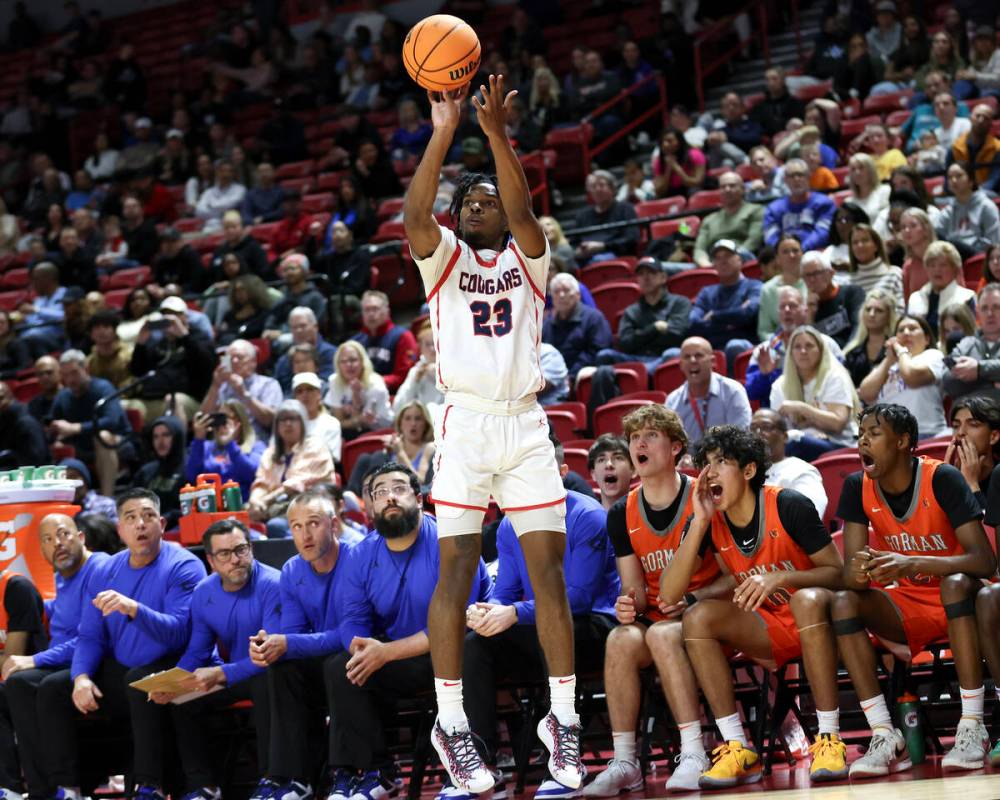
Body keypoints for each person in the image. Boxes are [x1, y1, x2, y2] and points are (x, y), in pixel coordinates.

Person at [403, 75, 586, 795]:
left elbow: (524, 207)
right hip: (467, 425)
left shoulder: (529, 260)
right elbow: (415, 210)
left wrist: (498, 137)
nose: (482, 207)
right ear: (456, 218)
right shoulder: (441, 259)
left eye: (490, 202)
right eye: (468, 203)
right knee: (453, 575)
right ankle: (451, 723)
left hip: (526, 426)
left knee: (550, 578)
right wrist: (445, 129)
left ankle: (564, 720)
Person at [661, 425, 845, 787]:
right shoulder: (709, 518)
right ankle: (737, 745)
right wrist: (698, 523)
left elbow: (837, 574)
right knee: (696, 618)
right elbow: (669, 593)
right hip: (769, 625)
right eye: (705, 463)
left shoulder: (789, 504)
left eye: (721, 461)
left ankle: (828, 737)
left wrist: (782, 578)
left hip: (820, 619)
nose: (709, 472)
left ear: (748, 470)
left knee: (806, 601)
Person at [833, 404, 996, 776]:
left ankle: (972, 726)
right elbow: (852, 578)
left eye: (874, 433)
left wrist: (913, 563)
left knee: (954, 586)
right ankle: (885, 733)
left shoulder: (942, 478)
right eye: (861, 434)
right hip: (910, 604)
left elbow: (985, 562)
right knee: (844, 602)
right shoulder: (857, 486)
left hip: (964, 597)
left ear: (903, 441)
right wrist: (861, 570)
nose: (863, 440)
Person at [582, 407, 730, 795]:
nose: (639, 444)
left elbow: (736, 574)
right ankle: (625, 761)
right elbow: (634, 588)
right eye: (634, 438)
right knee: (619, 638)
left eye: (650, 436)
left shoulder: (704, 496)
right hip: (659, 616)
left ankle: (694, 751)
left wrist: (696, 595)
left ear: (676, 447)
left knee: (663, 635)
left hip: (711, 613)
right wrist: (627, 605)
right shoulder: (621, 512)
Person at [37, 489, 206, 800]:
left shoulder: (184, 565)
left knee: (137, 680)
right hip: (126, 666)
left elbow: (179, 634)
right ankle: (66, 788)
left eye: (147, 516)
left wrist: (133, 609)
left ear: (162, 524)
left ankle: (149, 786)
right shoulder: (105, 570)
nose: (140, 524)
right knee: (52, 688)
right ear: (120, 529)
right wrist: (81, 678)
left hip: (178, 664)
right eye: (131, 518)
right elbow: (90, 636)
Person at [465, 476, 618, 798]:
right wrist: (488, 612)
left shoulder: (586, 516)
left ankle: (564, 761)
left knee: (554, 631)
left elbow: (579, 597)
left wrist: (516, 612)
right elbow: (504, 592)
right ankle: (483, 763)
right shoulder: (509, 526)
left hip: (595, 626)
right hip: (539, 624)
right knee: (475, 645)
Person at [149, 519, 279, 800]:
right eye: (224, 554)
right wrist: (174, 682)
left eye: (241, 550)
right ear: (211, 560)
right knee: (183, 700)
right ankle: (203, 786)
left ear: (251, 548)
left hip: (273, 672)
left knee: (266, 682)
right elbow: (197, 651)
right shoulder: (204, 592)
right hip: (235, 674)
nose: (235, 560)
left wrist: (219, 675)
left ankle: (273, 780)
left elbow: (271, 654)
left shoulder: (273, 584)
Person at [248, 489, 356, 800]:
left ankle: (344, 773)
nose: (304, 534)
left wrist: (289, 642)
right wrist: (271, 644)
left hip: (360, 654)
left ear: (333, 524)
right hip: (323, 659)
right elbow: (294, 633)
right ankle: (294, 778)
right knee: (281, 666)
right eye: (295, 526)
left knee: (337, 664)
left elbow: (351, 634)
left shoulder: (355, 560)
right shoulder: (292, 570)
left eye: (313, 523)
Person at [2, 513, 108, 800]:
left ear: (81, 537)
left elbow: (92, 636)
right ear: (42, 551)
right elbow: (61, 614)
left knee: (37, 685)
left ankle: (67, 788)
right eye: (48, 540)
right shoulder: (63, 576)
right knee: (14, 686)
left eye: (62, 534)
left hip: (94, 662)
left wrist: (36, 659)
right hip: (64, 662)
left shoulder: (100, 569)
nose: (57, 544)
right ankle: (30, 791)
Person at [248, 399, 336, 538]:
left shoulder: (315, 446)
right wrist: (255, 501)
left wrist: (266, 500)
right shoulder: (270, 453)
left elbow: (295, 485)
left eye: (293, 418)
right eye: (283, 419)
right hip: (274, 507)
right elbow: (261, 482)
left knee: (275, 526)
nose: (288, 423)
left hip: (310, 507)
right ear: (276, 426)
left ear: (303, 422)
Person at [48, 351, 130, 498]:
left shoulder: (103, 388)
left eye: (74, 373)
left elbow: (111, 421)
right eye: (65, 375)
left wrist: (75, 428)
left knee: (102, 436)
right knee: (56, 445)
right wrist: (55, 431)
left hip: (117, 442)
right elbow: (52, 424)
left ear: (85, 369)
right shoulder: (63, 396)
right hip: (82, 446)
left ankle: (107, 499)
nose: (70, 379)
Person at [770, 326, 860, 460]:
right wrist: (811, 428)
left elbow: (837, 424)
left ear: (821, 350)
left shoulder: (834, 377)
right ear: (790, 353)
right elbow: (780, 431)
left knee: (797, 443)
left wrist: (802, 409)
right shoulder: (780, 385)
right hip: (802, 443)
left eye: (809, 346)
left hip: (838, 445)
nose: (803, 351)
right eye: (797, 347)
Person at [858, 314, 949, 438]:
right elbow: (866, 394)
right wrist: (889, 359)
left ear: (927, 339)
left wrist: (900, 350)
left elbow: (911, 377)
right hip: (889, 438)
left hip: (926, 433)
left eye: (912, 328)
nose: (906, 333)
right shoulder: (888, 365)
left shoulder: (933, 356)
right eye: (901, 330)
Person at [590, 258, 689, 369]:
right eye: (641, 274)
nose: (646, 278)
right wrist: (655, 328)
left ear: (663, 277)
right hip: (636, 358)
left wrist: (639, 335)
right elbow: (625, 343)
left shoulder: (680, 303)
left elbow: (677, 334)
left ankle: (645, 374)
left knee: (673, 353)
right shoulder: (631, 311)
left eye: (651, 273)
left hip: (662, 357)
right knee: (604, 355)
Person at [129, 300, 216, 424]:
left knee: (174, 401)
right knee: (128, 406)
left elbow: (207, 366)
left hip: (189, 399)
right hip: (154, 396)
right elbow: (137, 370)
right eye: (165, 314)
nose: (169, 318)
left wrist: (184, 336)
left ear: (185, 317)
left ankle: (178, 442)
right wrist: (140, 343)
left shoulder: (199, 337)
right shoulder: (157, 341)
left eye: (174, 314)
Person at [666, 336, 752, 447]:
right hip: (687, 463)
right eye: (687, 357)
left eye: (698, 355)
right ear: (681, 365)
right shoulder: (672, 401)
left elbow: (740, 438)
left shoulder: (733, 391)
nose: (692, 360)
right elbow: (670, 444)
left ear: (713, 361)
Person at [688, 240, 762, 367]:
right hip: (712, 348)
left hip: (745, 345)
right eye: (717, 257)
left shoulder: (754, 286)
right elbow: (694, 322)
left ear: (740, 260)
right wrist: (733, 319)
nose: (723, 261)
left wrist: (714, 316)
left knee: (734, 345)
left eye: (728, 256)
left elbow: (748, 313)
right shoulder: (706, 292)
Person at [200, 339, 283, 443]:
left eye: (239, 357)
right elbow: (203, 420)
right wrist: (214, 386)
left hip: (256, 444)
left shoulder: (268, 384)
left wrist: (243, 394)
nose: (234, 361)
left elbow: (271, 421)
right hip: (223, 445)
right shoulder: (221, 386)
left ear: (253, 362)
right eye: (230, 358)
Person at [750, 409, 827, 516]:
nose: (757, 433)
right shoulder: (743, 471)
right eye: (752, 429)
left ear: (785, 436)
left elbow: (808, 518)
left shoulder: (800, 471)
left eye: (766, 427)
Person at [186, 401, 265, 502]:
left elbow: (252, 475)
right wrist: (198, 440)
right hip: (210, 508)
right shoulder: (205, 447)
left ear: (240, 421)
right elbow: (192, 476)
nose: (221, 424)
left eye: (226, 418)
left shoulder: (256, 446)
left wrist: (230, 445)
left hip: (241, 507)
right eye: (219, 418)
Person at [544, 273, 613, 383]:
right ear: (552, 298)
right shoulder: (547, 324)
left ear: (578, 295)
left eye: (566, 290)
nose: (561, 295)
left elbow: (597, 351)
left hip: (583, 377)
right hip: (554, 378)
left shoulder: (594, 318)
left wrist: (571, 375)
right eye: (556, 292)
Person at [350, 290, 418, 393]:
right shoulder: (355, 342)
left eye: (375, 309)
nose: (371, 314)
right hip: (361, 396)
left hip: (394, 396)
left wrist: (372, 383)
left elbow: (405, 376)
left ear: (387, 311)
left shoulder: (402, 337)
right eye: (366, 310)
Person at [692, 172, 764, 267]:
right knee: (667, 267)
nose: (727, 189)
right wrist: (705, 264)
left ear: (743, 189)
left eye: (732, 186)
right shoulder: (709, 219)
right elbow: (699, 249)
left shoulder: (756, 210)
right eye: (723, 187)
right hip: (712, 263)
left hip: (743, 260)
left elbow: (753, 241)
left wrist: (730, 260)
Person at [324, 340, 393, 440]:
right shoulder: (335, 381)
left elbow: (365, 424)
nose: (349, 365)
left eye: (353, 360)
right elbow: (338, 421)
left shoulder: (376, 386)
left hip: (377, 432)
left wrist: (355, 417)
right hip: (348, 433)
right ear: (338, 365)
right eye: (343, 361)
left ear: (362, 362)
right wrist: (356, 417)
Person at [762, 159, 836, 251]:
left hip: (815, 253)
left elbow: (822, 233)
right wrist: (784, 252)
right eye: (792, 176)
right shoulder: (773, 209)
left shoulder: (824, 203)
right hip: (784, 258)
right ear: (785, 180)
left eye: (800, 175)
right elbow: (771, 237)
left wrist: (800, 250)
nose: (796, 179)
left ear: (808, 177)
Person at [944, 283, 1000, 402]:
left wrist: (979, 369)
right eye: (984, 308)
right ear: (978, 312)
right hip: (971, 418)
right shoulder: (965, 344)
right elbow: (948, 381)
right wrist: (992, 384)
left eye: (996, 307)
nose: (990, 314)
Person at [907, 241, 976, 336]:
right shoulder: (915, 298)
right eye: (932, 265)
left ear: (955, 269)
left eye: (943, 265)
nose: (937, 270)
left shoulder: (967, 298)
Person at [935, 161, 1000, 260]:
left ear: (971, 180)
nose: (954, 180)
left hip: (979, 257)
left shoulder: (986, 207)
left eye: (959, 176)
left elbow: (995, 242)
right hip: (952, 258)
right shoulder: (947, 211)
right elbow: (936, 237)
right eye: (950, 177)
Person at [945, 396, 1000, 510]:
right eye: (956, 426)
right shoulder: (949, 474)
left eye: (973, 424)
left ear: (993, 436)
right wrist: (945, 482)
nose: (960, 432)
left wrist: (972, 485)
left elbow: (988, 527)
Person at [572, 171, 639, 264]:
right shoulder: (582, 215)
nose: (598, 189)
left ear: (612, 188)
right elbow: (574, 242)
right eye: (593, 186)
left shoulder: (625, 208)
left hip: (615, 254)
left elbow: (631, 238)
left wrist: (603, 246)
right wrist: (577, 251)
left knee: (598, 260)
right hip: (585, 257)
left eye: (602, 185)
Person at [132, 416, 186, 528]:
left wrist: (167, 517)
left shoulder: (190, 468)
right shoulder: (146, 471)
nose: (160, 442)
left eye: (166, 435)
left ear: (177, 437)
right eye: (156, 437)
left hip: (179, 527)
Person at [803, 252, 865, 348]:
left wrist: (846, 354)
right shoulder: (807, 307)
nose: (811, 280)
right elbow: (807, 343)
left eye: (816, 273)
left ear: (831, 273)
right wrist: (810, 314)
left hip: (851, 353)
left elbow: (859, 329)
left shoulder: (852, 293)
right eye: (807, 275)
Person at [273, 307, 338, 395]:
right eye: (294, 327)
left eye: (303, 326)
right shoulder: (284, 361)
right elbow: (276, 389)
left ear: (315, 327)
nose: (298, 331)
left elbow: (329, 385)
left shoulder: (331, 354)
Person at [843, 288, 899, 387]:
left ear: (889, 316)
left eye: (879, 311)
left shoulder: (897, 349)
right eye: (868, 309)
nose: (871, 314)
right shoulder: (851, 353)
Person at [757, 235, 806, 343]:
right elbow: (764, 331)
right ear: (777, 259)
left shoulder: (812, 282)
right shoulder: (767, 289)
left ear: (802, 254)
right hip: (780, 346)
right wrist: (782, 345)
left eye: (795, 251)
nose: (791, 255)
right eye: (785, 252)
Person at [847, 224, 904, 313]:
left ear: (876, 245)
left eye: (865, 240)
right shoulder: (848, 282)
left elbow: (901, 310)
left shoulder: (894, 274)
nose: (860, 245)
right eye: (855, 242)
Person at [393, 320, 444, 414]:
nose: (432, 349)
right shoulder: (416, 371)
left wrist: (438, 375)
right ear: (420, 347)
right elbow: (397, 408)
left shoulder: (454, 368)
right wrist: (414, 382)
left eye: (436, 343)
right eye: (427, 344)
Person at [19, 262, 67, 357]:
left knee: (31, 338)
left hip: (58, 338)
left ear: (48, 279)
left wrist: (37, 310)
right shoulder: (39, 300)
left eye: (36, 279)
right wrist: (24, 318)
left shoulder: (66, 294)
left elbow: (64, 316)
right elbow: (33, 321)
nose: (33, 283)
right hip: (33, 336)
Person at [293, 372, 342, 465]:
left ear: (319, 394)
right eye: (299, 391)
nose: (305, 395)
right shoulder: (287, 424)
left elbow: (332, 458)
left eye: (310, 389)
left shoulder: (331, 423)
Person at [951, 103, 1000, 192]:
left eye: (986, 118)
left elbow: (995, 180)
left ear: (991, 124)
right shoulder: (955, 146)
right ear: (970, 118)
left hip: (987, 194)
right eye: (978, 116)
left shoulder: (998, 148)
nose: (981, 120)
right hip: (960, 193)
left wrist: (973, 193)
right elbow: (948, 180)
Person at [0, 381, 49, 468]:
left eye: (1, 398)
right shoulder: (4, 418)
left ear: (10, 396)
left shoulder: (26, 422)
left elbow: (35, 461)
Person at [750, 67, 806, 137]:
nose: (771, 83)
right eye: (767, 80)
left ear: (783, 81)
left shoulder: (796, 103)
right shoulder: (759, 107)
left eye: (774, 79)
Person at [651, 128, 705, 198]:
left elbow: (698, 183)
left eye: (669, 141)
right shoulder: (659, 161)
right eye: (662, 142)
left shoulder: (695, 155)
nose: (665, 144)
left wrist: (676, 167)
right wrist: (668, 169)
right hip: (673, 193)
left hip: (692, 191)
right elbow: (660, 191)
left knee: (693, 192)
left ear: (680, 141)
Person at [196, 159, 247, 232]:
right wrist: (219, 213)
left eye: (229, 171)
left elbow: (229, 205)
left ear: (233, 174)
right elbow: (199, 210)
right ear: (217, 173)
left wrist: (210, 206)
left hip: (232, 227)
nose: (226, 174)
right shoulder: (208, 192)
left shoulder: (240, 189)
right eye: (222, 171)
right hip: (209, 227)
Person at [587, 435, 633, 510]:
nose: (609, 464)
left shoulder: (645, 514)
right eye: (601, 460)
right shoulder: (587, 518)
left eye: (618, 458)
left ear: (633, 470)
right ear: (593, 474)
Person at [845, 153, 890, 222]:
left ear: (870, 170)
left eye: (861, 167)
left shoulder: (885, 191)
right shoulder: (849, 202)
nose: (857, 172)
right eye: (853, 169)